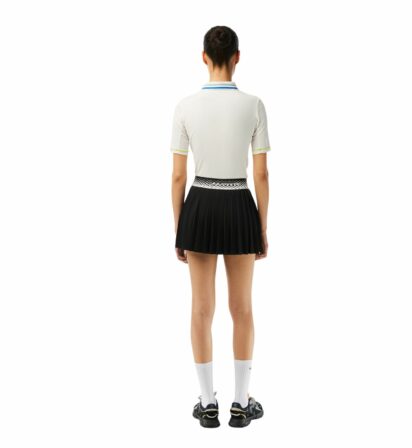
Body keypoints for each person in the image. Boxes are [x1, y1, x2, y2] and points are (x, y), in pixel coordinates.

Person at [170, 25, 270, 428]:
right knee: (241, 307)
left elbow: (178, 176)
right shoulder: (254, 105)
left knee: (201, 307)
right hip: (239, 202)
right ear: (237, 57)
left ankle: (208, 403)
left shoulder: (185, 107)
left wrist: (180, 227)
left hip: (200, 204)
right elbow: (261, 174)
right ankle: (241, 404)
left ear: (204, 57)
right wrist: (262, 226)